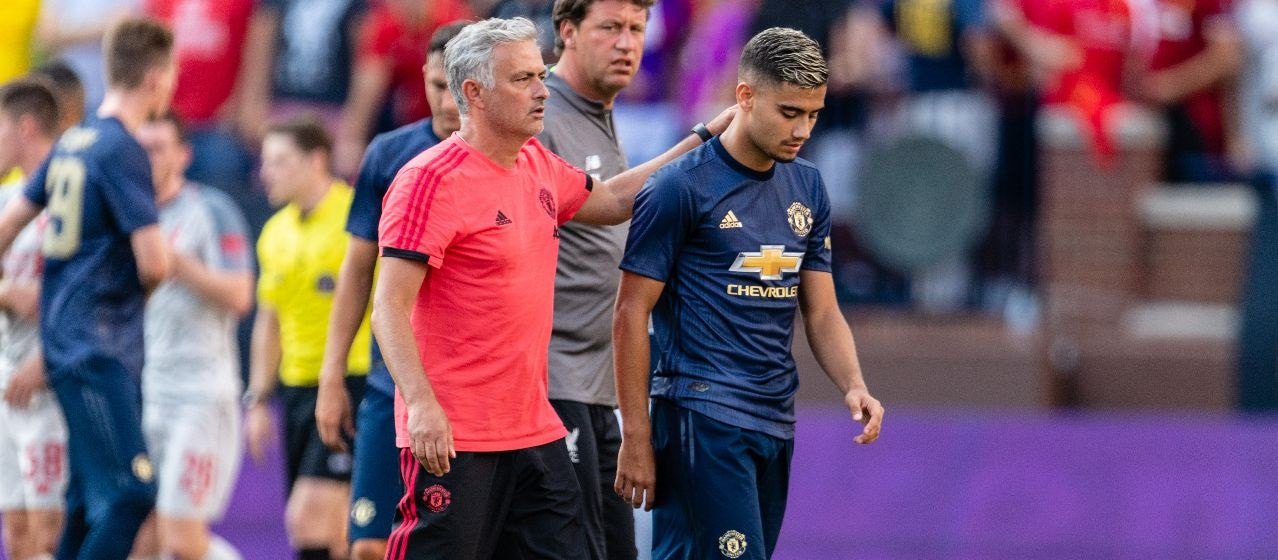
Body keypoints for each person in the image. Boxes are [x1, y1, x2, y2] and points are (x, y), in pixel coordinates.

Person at [371, 16, 733, 558]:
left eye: (541, 76)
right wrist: (422, 406)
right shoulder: (428, 180)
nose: (542, 91)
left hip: (535, 430)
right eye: (523, 79)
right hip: (455, 436)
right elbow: (388, 308)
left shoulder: (536, 162)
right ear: (475, 92)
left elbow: (613, 201)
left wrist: (705, 140)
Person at [612, 27, 884, 560]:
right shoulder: (678, 187)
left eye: (814, 114)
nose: (802, 129)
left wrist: (854, 384)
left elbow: (822, 310)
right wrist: (637, 435)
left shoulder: (808, 186)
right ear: (745, 96)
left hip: (775, 415)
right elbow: (629, 312)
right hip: (701, 412)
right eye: (789, 112)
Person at [0, 16, 175, 559]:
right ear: (156, 77)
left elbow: (9, 225)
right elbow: (153, 263)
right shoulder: (122, 149)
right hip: (98, 348)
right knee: (131, 495)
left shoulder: (72, 142)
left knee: (81, 501)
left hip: (60, 346)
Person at [314, 21, 466, 560]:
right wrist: (332, 376)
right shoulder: (389, 153)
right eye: (436, 85)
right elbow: (358, 271)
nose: (445, 101)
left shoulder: (513, 156)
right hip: (389, 387)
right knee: (367, 546)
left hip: (469, 392)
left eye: (456, 86)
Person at [539, 0, 653, 557]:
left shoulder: (597, 113)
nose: (627, 43)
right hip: (552, 382)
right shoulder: (540, 113)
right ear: (568, 31)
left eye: (637, 29)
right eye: (610, 28)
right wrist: (706, 139)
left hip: (598, 385)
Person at [244, 117, 371, 560]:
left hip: (351, 382)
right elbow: (269, 321)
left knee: (308, 517)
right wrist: (259, 398)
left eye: (279, 161)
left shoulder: (356, 218)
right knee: (332, 532)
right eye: (265, 162)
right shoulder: (274, 232)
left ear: (317, 161)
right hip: (296, 388)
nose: (266, 172)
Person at [129, 112, 252, 560]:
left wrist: (175, 261)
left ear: (183, 155)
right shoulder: (129, 214)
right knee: (140, 537)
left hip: (199, 393)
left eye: (158, 148)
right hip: (143, 391)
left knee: (181, 539)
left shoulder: (210, 209)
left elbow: (240, 295)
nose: (148, 159)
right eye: (140, 150)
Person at [0, 78, 66, 560]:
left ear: (25, 128)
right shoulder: (6, 200)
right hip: (7, 381)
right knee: (18, 534)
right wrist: (7, 292)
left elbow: (99, 290)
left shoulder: (73, 194)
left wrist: (46, 360)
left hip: (55, 383)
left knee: (50, 532)